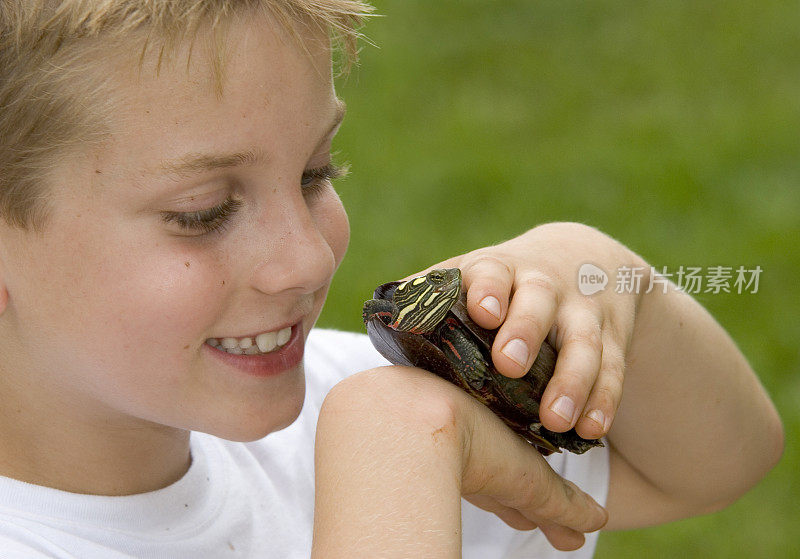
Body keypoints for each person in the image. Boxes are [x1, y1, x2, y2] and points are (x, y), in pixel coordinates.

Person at [0, 2, 783, 558]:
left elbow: (716, 463)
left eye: (315, 170)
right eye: (202, 213)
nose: (306, 257)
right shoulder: (386, 437)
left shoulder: (350, 402)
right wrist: (402, 455)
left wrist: (606, 270)